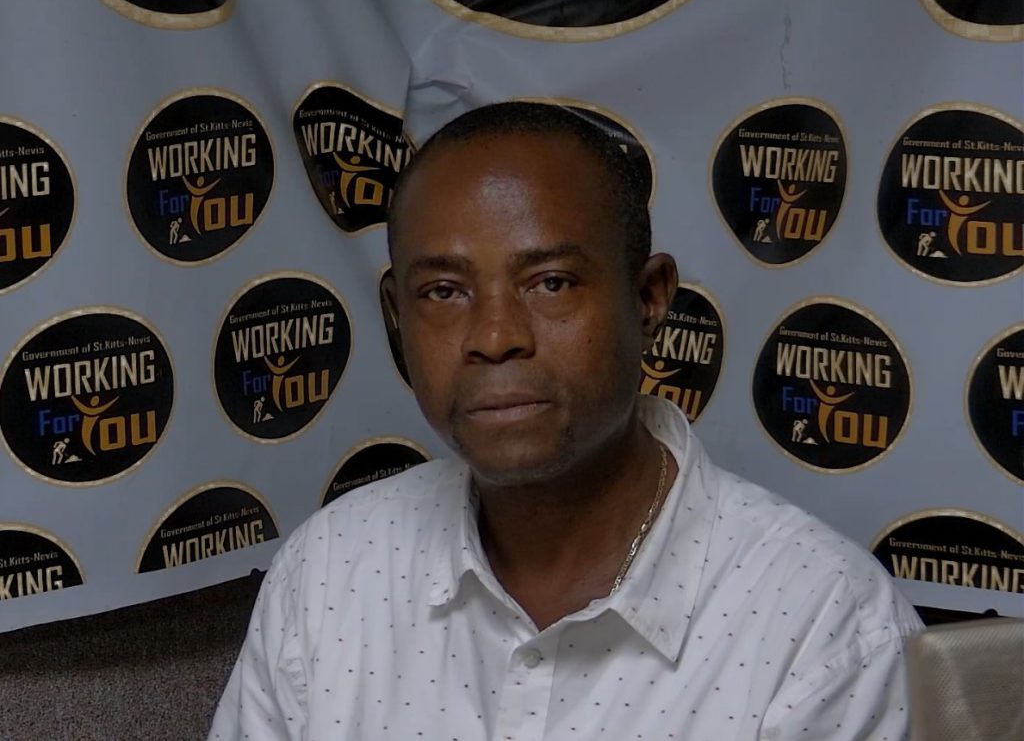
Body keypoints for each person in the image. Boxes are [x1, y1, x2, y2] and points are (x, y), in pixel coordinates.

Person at [209, 102, 922, 740]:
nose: (495, 336)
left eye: (550, 283)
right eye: (445, 291)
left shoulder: (828, 626)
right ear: (398, 315)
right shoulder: (328, 572)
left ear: (648, 298)